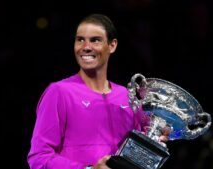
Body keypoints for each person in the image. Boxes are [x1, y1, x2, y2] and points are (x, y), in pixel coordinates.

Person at [27, 13, 168, 169]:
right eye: (80, 40)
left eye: (95, 40)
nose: (86, 47)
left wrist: (156, 135)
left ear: (112, 45)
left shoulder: (127, 97)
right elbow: (39, 158)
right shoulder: (59, 92)